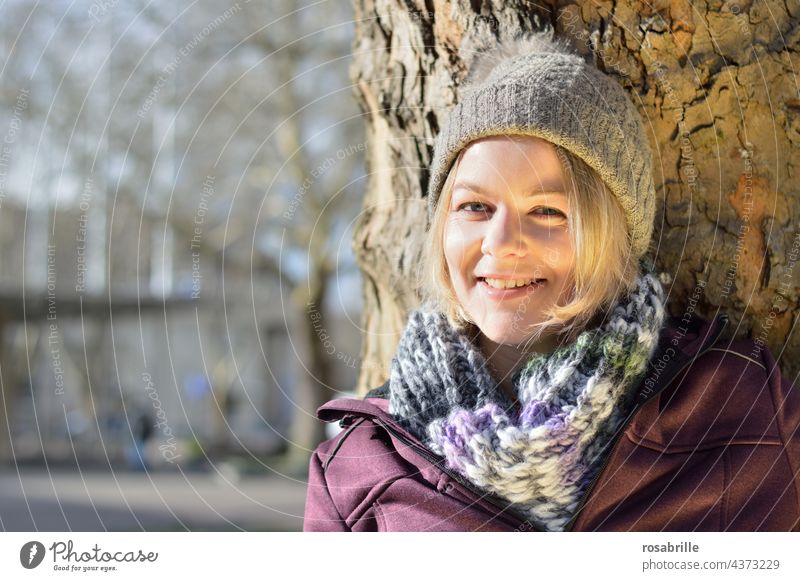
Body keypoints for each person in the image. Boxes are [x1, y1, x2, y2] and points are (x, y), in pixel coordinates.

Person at [303, 30, 800, 531]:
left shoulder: (741, 410)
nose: (500, 242)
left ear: (612, 234)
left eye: (546, 210)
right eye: (475, 206)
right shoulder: (355, 467)